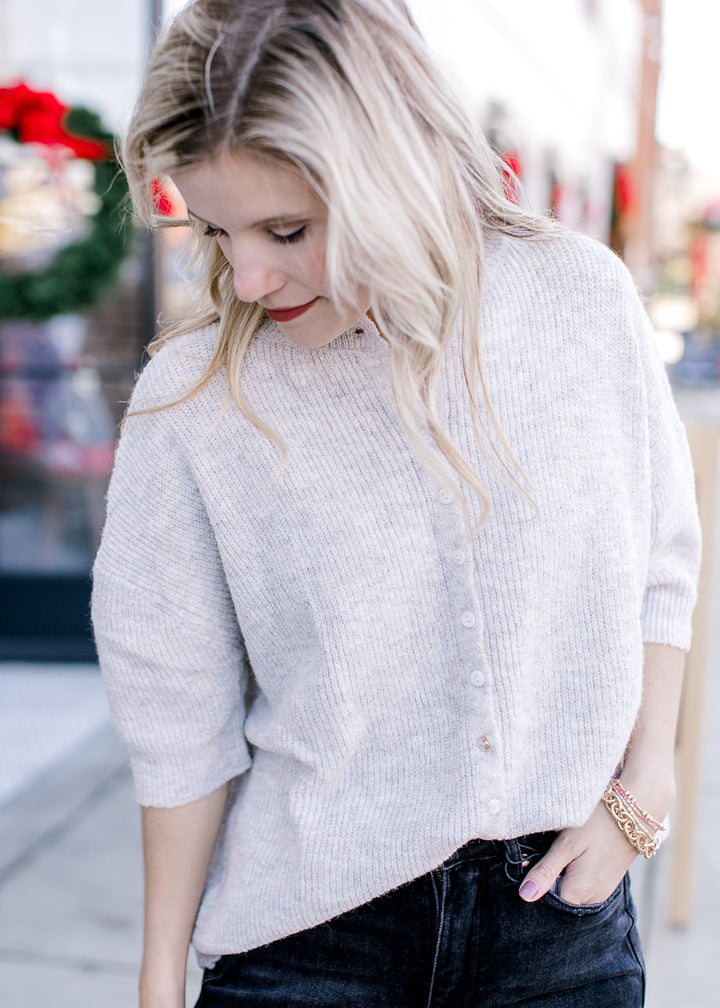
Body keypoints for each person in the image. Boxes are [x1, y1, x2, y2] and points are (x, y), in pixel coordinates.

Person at [91, 2, 701, 1006]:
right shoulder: (194, 400)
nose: (248, 276)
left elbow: (660, 565)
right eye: (216, 230)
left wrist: (647, 788)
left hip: (562, 936)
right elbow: (178, 718)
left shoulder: (576, 300)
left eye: (287, 228)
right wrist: (159, 978)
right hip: (308, 944)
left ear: (394, 168)